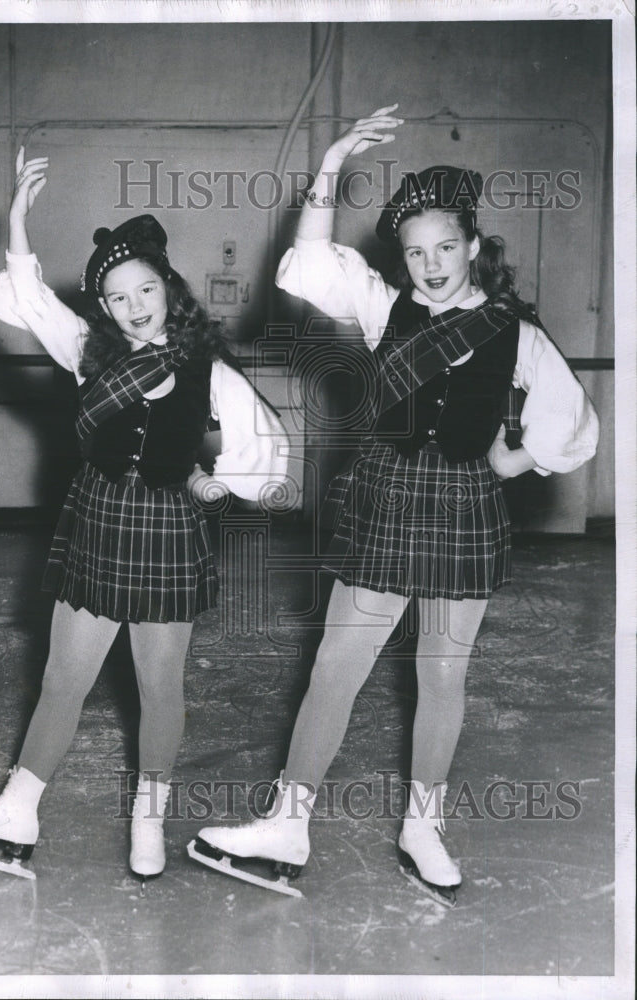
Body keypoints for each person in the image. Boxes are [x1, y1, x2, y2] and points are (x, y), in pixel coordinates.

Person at [190, 105, 599, 906]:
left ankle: (423, 827)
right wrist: (336, 157)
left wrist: (505, 461)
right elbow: (308, 257)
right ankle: (288, 824)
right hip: (386, 497)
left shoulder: (514, 331)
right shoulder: (382, 305)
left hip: (463, 505)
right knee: (337, 668)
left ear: (474, 247)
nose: (432, 264)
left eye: (446, 247)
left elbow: (570, 422)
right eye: (416, 251)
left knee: (443, 675)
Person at [0, 148, 289, 884]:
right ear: (107, 309)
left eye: (145, 289)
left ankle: (149, 819)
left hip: (166, 531)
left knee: (161, 686)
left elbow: (266, 443)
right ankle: (18, 811)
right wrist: (19, 220)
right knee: (64, 677)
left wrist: (222, 482)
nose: (135, 305)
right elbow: (28, 301)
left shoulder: (206, 368)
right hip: (98, 521)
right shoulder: (89, 352)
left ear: (167, 289)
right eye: (119, 298)